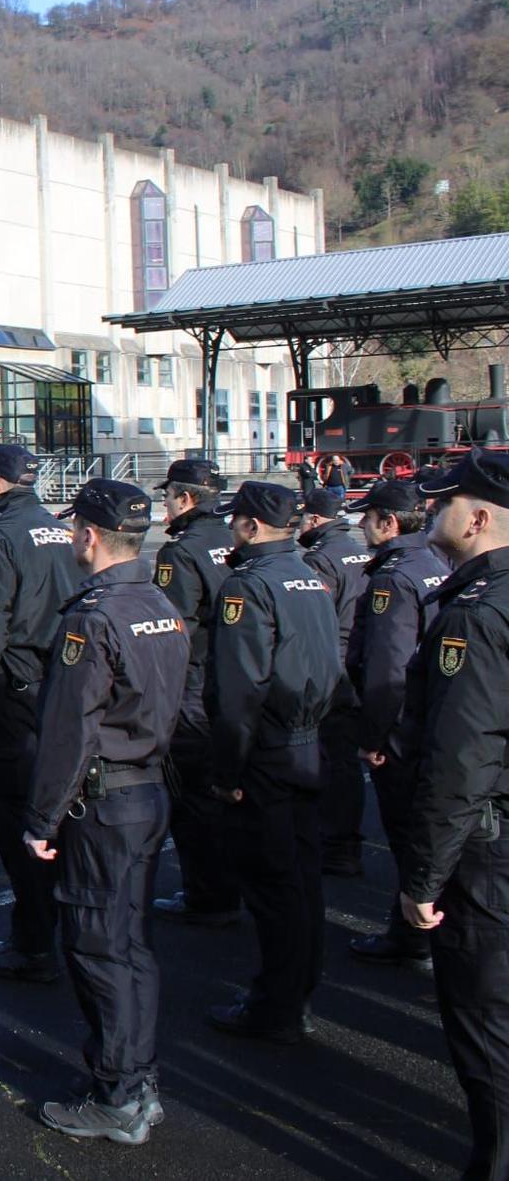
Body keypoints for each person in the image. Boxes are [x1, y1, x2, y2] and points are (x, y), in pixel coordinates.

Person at [21, 480, 188, 1145]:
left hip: (107, 800)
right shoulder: (160, 603)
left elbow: (70, 730)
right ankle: (137, 1079)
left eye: (73, 530)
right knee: (131, 944)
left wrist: (41, 819)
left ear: (90, 535)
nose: (69, 539)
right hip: (147, 789)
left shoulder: (91, 617)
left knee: (97, 944)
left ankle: (119, 1092)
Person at [399, 452, 509, 1180]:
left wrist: (423, 879)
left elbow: (460, 762)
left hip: (489, 854)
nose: (429, 513)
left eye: (442, 503)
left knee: (487, 1018)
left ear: (477, 518)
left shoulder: (475, 613)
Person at [205, 481, 341, 1042]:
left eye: (237, 518)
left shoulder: (248, 586)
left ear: (252, 526)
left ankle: (276, 1006)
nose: (232, 526)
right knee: (303, 879)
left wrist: (228, 772)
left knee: (273, 884)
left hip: (269, 751)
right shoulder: (310, 573)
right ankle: (298, 991)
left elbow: (240, 692)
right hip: (310, 741)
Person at [0, 442, 86, 981]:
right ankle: (70, 928)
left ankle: (33, 940)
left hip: (17, 690)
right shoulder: (65, 530)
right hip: (69, 683)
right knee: (61, 810)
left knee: (17, 818)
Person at [341, 480, 447, 974]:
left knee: (405, 833)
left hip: (400, 727)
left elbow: (387, 667)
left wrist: (372, 737)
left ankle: (412, 935)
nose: (361, 525)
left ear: (388, 523)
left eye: (368, 517)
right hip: (430, 718)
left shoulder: (392, 578)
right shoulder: (433, 563)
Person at [149, 458, 242, 928]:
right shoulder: (231, 540)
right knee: (225, 795)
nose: (164, 504)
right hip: (232, 682)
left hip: (194, 686)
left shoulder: (180, 553)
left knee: (193, 800)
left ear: (185, 499)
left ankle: (208, 894)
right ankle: (226, 883)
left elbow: (173, 628)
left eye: (168, 496)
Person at [302, 487, 374, 875]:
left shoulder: (320, 559)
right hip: (358, 660)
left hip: (335, 665)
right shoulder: (357, 549)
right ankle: (345, 841)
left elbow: (314, 618)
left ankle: (339, 844)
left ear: (314, 520)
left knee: (334, 760)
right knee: (344, 760)